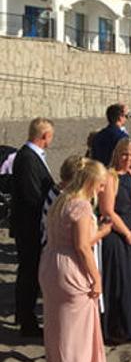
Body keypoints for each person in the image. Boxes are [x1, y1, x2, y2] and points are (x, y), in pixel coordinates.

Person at [40, 158, 112, 362]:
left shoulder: (61, 200)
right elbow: (82, 246)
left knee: (56, 328)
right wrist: (97, 277)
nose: (102, 190)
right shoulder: (80, 206)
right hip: (70, 269)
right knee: (75, 332)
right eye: (101, 185)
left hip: (50, 263)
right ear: (91, 182)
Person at [11, 117, 56, 337]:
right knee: (29, 272)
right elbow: (32, 196)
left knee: (29, 271)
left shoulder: (31, 156)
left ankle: (24, 315)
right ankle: (26, 321)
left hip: (30, 224)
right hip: (29, 226)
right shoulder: (28, 158)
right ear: (45, 136)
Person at [98, 139, 131, 342]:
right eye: (125, 154)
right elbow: (107, 210)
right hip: (114, 236)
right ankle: (115, 328)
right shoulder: (109, 177)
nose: (128, 159)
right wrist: (127, 233)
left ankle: (130, 326)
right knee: (118, 282)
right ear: (117, 153)